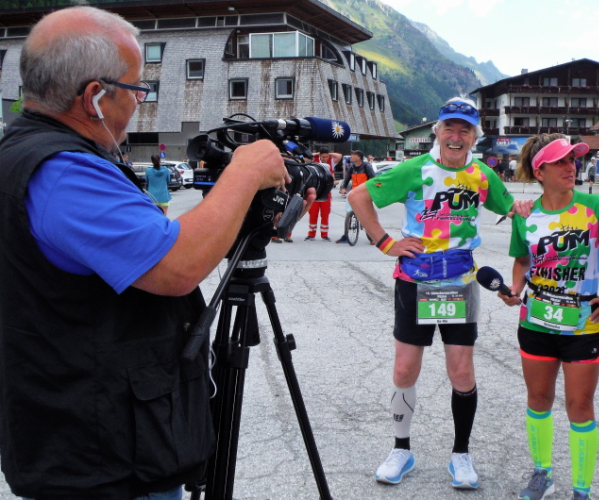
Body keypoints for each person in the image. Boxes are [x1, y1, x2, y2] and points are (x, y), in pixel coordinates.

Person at [0, 7, 312, 498]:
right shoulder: (64, 172)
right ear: (95, 96)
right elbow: (176, 266)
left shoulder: (27, 152)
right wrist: (245, 173)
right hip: (102, 455)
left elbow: (145, 243)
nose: (140, 100)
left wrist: (242, 213)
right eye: (136, 88)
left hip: (84, 429)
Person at [348, 97, 531, 489]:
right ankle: (401, 449)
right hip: (414, 280)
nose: (456, 136)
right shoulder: (415, 169)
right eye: (450, 127)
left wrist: (528, 212)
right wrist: (385, 243)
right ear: (437, 131)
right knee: (404, 369)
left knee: (461, 372)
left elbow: (511, 208)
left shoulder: (482, 174)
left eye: (465, 130)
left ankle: (461, 454)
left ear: (475, 137)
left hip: (459, 282)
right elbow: (358, 197)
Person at [498, 134, 599, 500]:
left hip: (582, 326)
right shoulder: (525, 214)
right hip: (535, 322)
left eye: (573, 160)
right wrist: (514, 289)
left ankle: (582, 491)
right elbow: (523, 260)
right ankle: (543, 474)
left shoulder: (594, 207)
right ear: (539, 172)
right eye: (561, 162)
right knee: (538, 398)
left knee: (580, 406)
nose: (572, 167)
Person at [335, 150, 375, 244]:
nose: (351, 157)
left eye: (353, 155)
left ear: (358, 157)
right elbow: (345, 181)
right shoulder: (351, 168)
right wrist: (343, 188)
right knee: (348, 213)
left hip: (364, 193)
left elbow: (374, 179)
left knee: (366, 215)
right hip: (353, 193)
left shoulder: (366, 166)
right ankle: (346, 235)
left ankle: (371, 236)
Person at [305, 147, 341, 241]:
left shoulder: (331, 161)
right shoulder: (314, 161)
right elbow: (306, 156)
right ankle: (311, 234)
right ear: (320, 156)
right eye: (323, 156)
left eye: (326, 156)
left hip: (326, 193)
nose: (325, 158)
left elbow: (339, 156)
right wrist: (317, 153)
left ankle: (324, 234)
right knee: (313, 214)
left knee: (325, 214)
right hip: (315, 192)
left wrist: (329, 154)